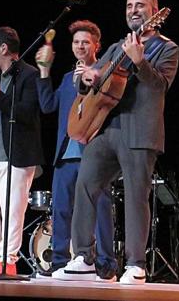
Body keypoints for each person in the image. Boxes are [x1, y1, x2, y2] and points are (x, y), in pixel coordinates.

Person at [52, 0, 179, 284]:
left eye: (140, 5)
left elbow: (160, 86)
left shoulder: (167, 47)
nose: (133, 10)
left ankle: (136, 265)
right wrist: (86, 80)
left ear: (153, 13)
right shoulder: (115, 46)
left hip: (140, 130)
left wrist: (140, 61)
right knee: (85, 186)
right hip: (105, 127)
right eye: (129, 5)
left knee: (136, 196)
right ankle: (83, 257)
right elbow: (91, 81)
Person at [34, 20, 117, 277]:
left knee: (100, 208)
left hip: (93, 153)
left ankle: (105, 264)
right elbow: (48, 106)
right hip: (65, 155)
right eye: (76, 42)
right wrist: (44, 71)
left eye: (86, 42)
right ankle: (59, 262)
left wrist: (93, 80)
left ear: (97, 46)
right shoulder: (68, 78)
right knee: (61, 208)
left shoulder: (106, 73)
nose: (80, 46)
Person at [0, 26, 44, 276]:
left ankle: (8, 260)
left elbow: (27, 113)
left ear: (4, 48)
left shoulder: (29, 75)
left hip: (18, 156)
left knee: (13, 210)